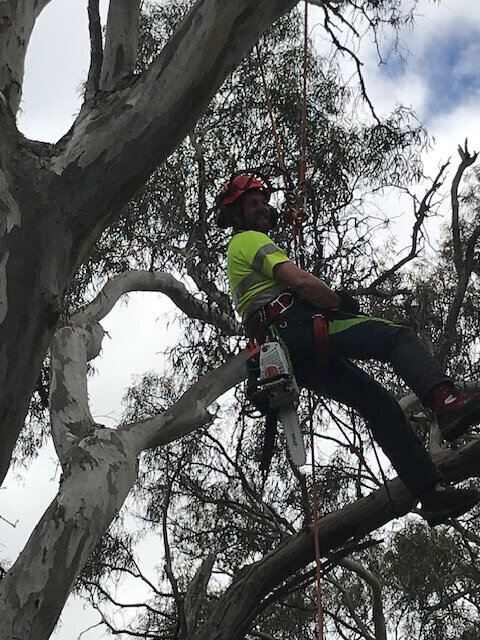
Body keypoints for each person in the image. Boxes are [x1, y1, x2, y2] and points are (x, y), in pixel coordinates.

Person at [217, 173, 480, 526]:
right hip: (295, 327)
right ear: (235, 213)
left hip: (288, 353)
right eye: (253, 203)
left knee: (379, 405)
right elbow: (300, 282)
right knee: (395, 338)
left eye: (264, 201)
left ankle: (430, 494)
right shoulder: (248, 240)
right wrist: (338, 301)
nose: (263, 207)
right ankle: (446, 404)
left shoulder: (239, 251)